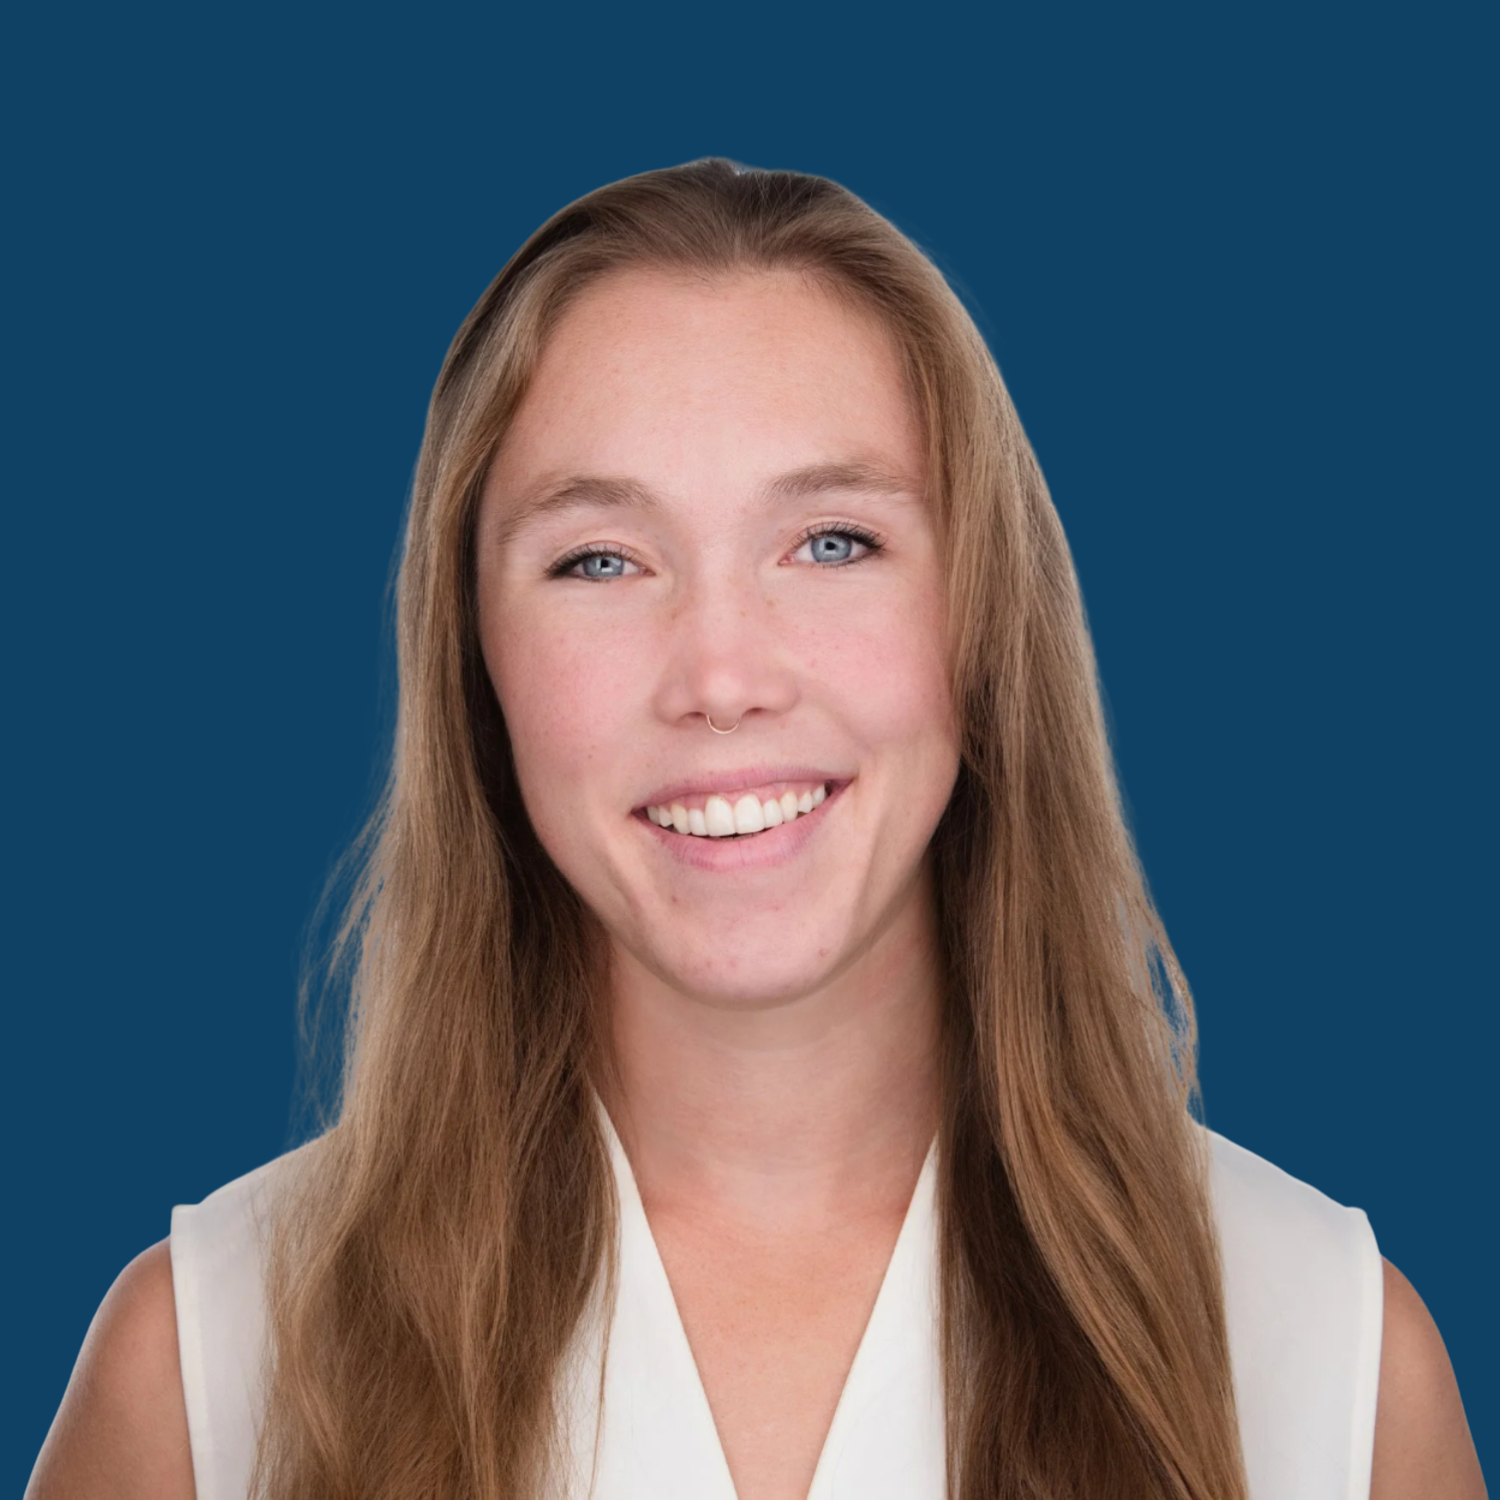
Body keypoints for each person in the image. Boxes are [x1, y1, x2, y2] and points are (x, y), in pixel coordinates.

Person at [27, 159, 1485, 1500]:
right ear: (475, 666)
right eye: (599, 558)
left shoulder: (1327, 1363)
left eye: (832, 542)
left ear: (981, 630)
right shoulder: (206, 1375)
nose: (722, 675)